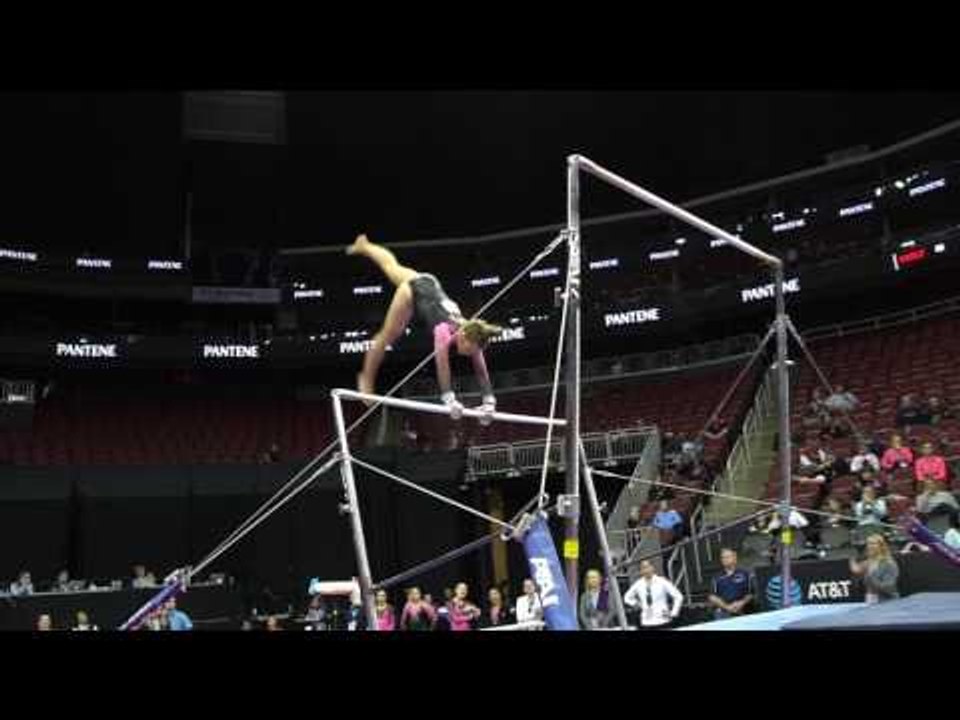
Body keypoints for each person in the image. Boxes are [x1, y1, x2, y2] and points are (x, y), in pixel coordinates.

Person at [346, 234, 502, 413]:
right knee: (389, 335)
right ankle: (366, 378)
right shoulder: (444, 331)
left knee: (391, 266)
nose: (469, 355)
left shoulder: (475, 332)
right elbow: (442, 365)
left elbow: (481, 370)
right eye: (470, 350)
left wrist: (489, 401)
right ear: (464, 337)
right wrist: (449, 400)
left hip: (428, 282)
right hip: (411, 292)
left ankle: (365, 246)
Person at [623, 560, 683, 629]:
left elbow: (678, 596)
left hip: (662, 621)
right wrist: (636, 604)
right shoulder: (638, 584)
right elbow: (626, 597)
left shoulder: (662, 581)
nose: (646, 570)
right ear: (640, 571)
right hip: (646, 622)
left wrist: (673, 613)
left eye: (648, 567)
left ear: (652, 568)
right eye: (643, 568)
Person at [849, 534, 899, 604]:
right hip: (871, 598)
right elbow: (856, 569)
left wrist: (871, 581)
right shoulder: (868, 561)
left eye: (873, 543)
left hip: (887, 599)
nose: (870, 546)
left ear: (881, 546)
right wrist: (852, 559)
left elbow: (889, 585)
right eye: (868, 544)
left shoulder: (888, 562)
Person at [707, 549, 754, 620]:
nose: (725, 559)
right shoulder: (716, 577)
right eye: (723, 557)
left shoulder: (745, 574)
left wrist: (741, 603)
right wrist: (727, 607)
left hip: (743, 608)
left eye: (727, 557)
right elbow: (712, 597)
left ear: (735, 558)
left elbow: (751, 593)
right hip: (723, 611)